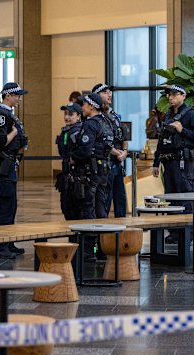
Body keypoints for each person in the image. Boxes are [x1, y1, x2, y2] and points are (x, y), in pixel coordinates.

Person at [153, 84, 194, 243]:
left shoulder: (190, 114)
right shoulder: (168, 116)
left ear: (183, 96)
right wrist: (156, 162)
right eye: (169, 95)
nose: (171, 97)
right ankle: (174, 232)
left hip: (183, 163)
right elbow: (162, 141)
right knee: (171, 197)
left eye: (175, 94)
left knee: (185, 196)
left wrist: (182, 130)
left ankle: (187, 233)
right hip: (168, 163)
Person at [0, 82, 29, 260]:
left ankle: (8, 242)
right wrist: (13, 134)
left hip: (10, 162)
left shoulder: (8, 114)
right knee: (6, 204)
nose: (19, 98)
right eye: (17, 95)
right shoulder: (0, 115)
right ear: (8, 96)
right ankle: (2, 246)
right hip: (3, 162)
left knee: (11, 204)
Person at [72, 93, 114, 260]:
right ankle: (103, 248)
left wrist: (73, 156)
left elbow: (84, 150)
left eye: (84, 104)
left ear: (91, 106)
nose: (82, 107)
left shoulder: (90, 124)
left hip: (90, 172)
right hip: (103, 170)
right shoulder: (107, 121)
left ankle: (88, 251)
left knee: (88, 209)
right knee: (101, 209)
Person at [93, 83, 127, 217]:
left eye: (110, 92)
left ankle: (122, 235)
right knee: (105, 201)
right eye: (105, 92)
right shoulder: (95, 117)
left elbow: (124, 135)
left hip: (117, 164)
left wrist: (124, 151)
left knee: (121, 201)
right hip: (104, 164)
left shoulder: (115, 116)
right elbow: (99, 140)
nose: (109, 94)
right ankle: (103, 236)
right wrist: (114, 151)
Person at [55, 102, 83, 220]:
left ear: (78, 116)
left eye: (71, 114)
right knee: (67, 209)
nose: (67, 117)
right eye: (65, 114)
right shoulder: (66, 131)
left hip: (76, 178)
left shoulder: (79, 131)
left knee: (75, 211)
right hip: (67, 176)